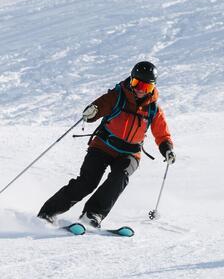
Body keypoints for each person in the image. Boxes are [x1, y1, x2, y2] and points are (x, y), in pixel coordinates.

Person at [37, 61, 175, 228]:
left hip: (130, 153)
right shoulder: (117, 96)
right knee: (87, 182)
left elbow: (162, 133)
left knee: (120, 177)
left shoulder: (153, 110)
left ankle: (93, 214)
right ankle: (48, 213)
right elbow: (98, 107)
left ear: (153, 88)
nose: (139, 89)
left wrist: (167, 149)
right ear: (131, 81)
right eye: (136, 83)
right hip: (104, 145)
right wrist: (92, 112)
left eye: (146, 87)